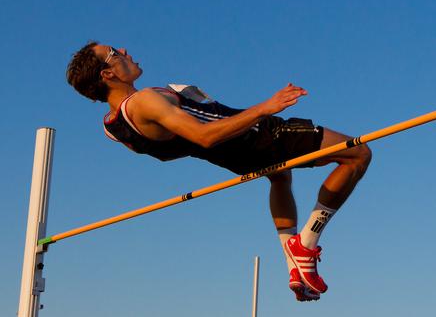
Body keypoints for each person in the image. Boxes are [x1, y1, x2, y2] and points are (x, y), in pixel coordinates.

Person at [66, 42, 372, 302]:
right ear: (107, 74)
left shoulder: (112, 127)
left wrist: (186, 104)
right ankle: (305, 244)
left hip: (231, 156)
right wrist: (265, 107)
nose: (124, 50)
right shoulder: (144, 100)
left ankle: (294, 263)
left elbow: (170, 151)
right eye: (114, 54)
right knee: (357, 154)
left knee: (280, 177)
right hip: (257, 134)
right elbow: (204, 136)